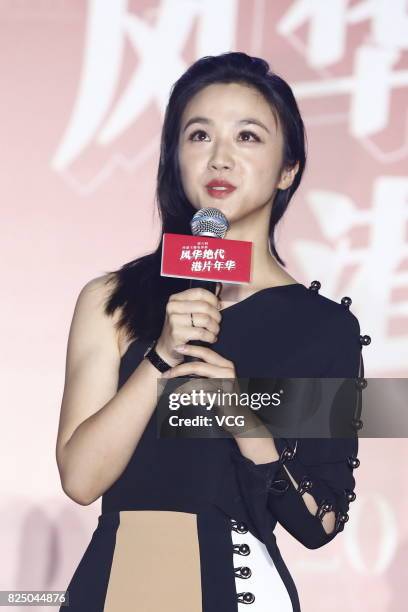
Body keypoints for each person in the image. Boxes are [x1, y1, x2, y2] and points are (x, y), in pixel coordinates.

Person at [56, 52, 369, 611]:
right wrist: (159, 359)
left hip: (238, 590)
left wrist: (244, 420)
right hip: (116, 585)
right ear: (174, 157)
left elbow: (319, 523)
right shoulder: (112, 300)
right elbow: (80, 480)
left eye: (248, 137)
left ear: (288, 169)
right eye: (198, 135)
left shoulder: (322, 329)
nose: (219, 157)